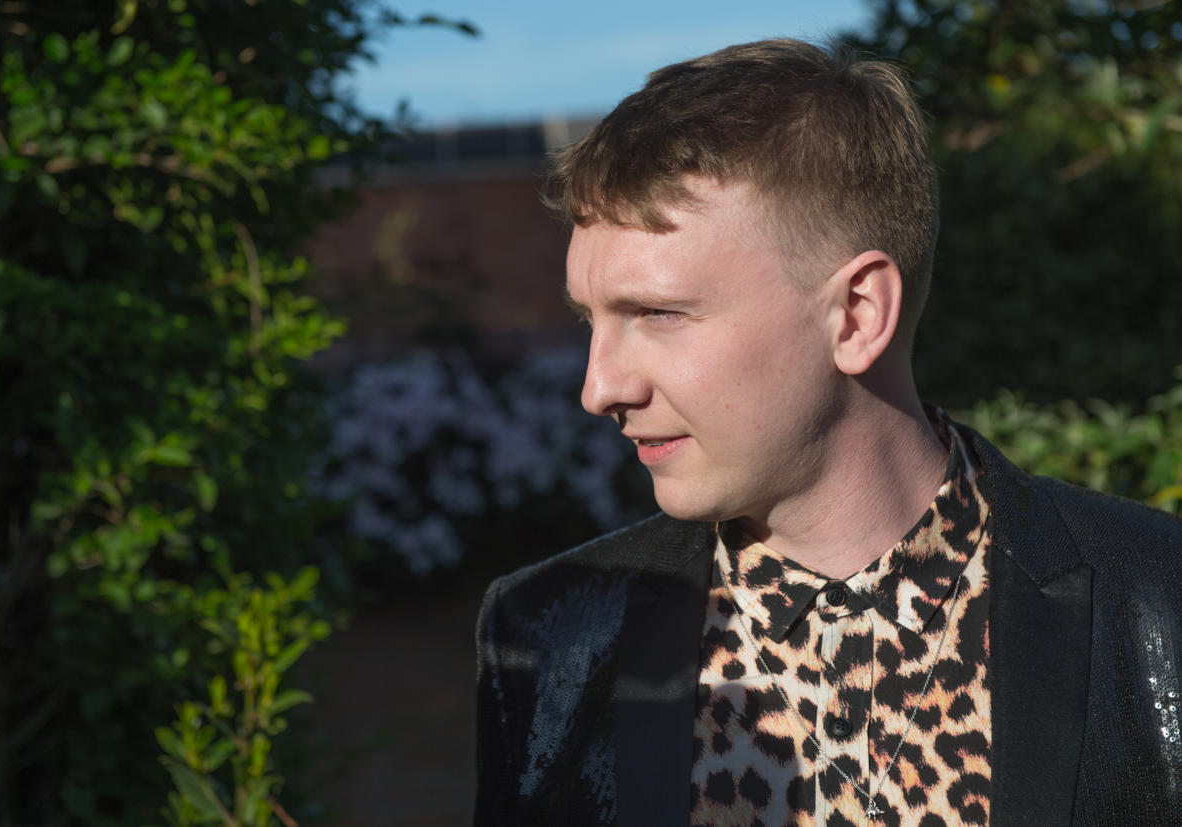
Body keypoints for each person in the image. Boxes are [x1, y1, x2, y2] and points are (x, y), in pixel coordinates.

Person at [473, 39, 1182, 826]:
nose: (599, 387)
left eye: (658, 313)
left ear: (857, 314)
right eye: (591, 320)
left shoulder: (1156, 602)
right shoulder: (550, 636)